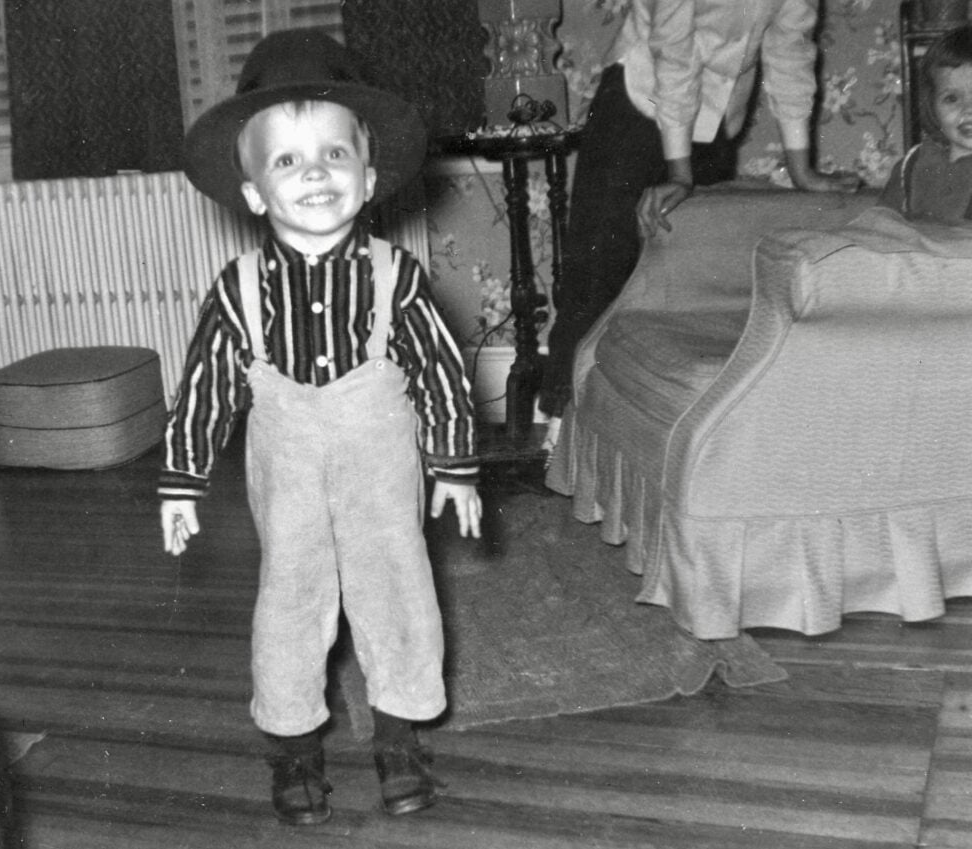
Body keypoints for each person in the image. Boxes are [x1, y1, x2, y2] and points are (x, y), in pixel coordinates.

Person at [159, 30, 483, 826]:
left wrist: (454, 466)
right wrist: (181, 478)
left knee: (397, 589)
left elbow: (440, 368)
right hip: (288, 465)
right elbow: (205, 383)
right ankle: (293, 747)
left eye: (334, 156)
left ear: (367, 179)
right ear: (256, 193)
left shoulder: (396, 276)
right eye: (287, 161)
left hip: (381, 460)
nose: (314, 173)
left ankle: (400, 734)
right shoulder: (235, 290)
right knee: (292, 600)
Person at [538, 0, 859, 447]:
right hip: (641, 99)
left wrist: (802, 169)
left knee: (690, 271)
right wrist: (679, 174)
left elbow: (790, 51)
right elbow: (674, 57)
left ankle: (667, 431)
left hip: (717, 111)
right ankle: (560, 424)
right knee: (599, 267)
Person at [880, 25, 972, 224]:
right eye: (952, 98)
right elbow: (882, 226)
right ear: (931, 105)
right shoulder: (912, 165)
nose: (967, 110)